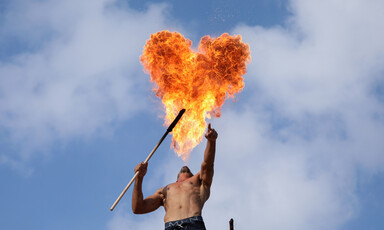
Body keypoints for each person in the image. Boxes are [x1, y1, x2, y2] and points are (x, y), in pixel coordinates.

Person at [132, 123, 218, 230]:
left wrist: (211, 141)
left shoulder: (199, 181)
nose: (185, 167)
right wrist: (139, 178)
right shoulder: (165, 190)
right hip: (171, 226)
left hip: (193, 223)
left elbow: (208, 164)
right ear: (176, 178)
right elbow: (138, 208)